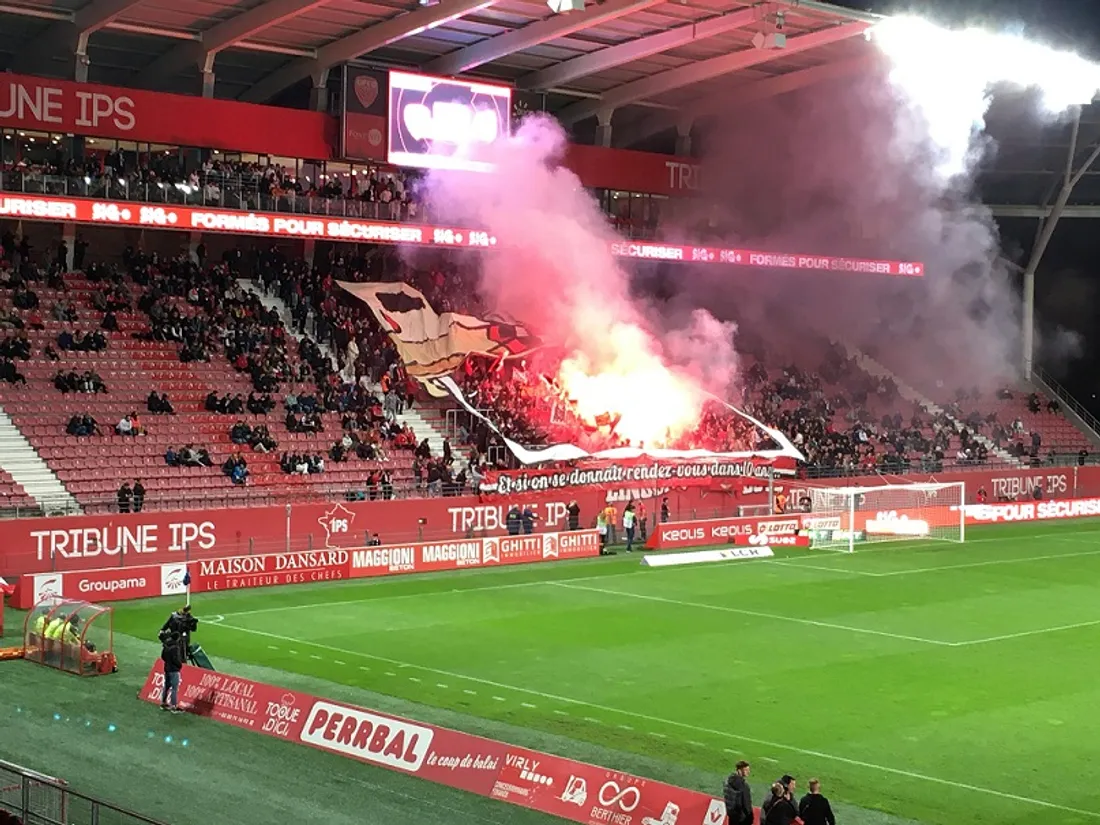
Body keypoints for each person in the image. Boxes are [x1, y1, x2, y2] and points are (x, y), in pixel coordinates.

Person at [723, 760, 753, 825]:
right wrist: (750, 818)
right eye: (746, 770)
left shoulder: (728, 781)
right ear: (739, 770)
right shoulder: (744, 786)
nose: (748, 772)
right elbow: (746, 804)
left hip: (732, 816)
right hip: (742, 819)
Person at [160, 630, 184, 713]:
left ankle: (163, 703)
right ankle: (173, 706)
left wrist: (168, 662)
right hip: (173, 669)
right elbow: (176, 659)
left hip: (166, 668)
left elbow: (162, 656)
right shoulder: (175, 647)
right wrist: (179, 665)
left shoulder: (166, 645)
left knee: (166, 686)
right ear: (177, 638)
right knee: (174, 688)